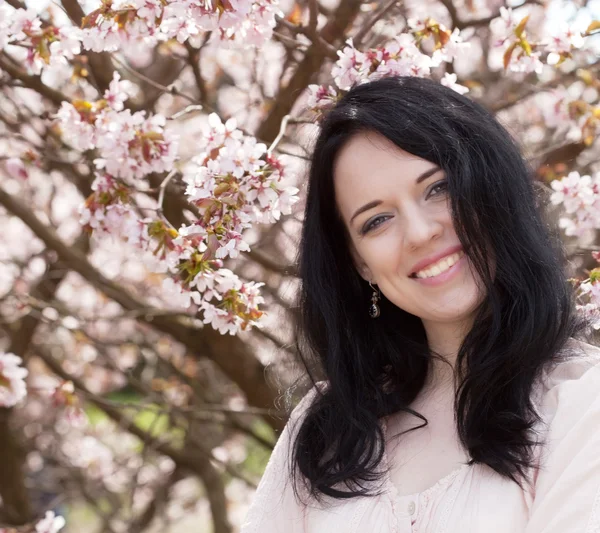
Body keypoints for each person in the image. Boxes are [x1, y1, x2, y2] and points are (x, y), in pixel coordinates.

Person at [240, 75, 600, 533]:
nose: (419, 232)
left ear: (493, 190)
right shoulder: (327, 429)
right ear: (360, 264)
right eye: (377, 220)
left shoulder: (582, 401)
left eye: (438, 188)